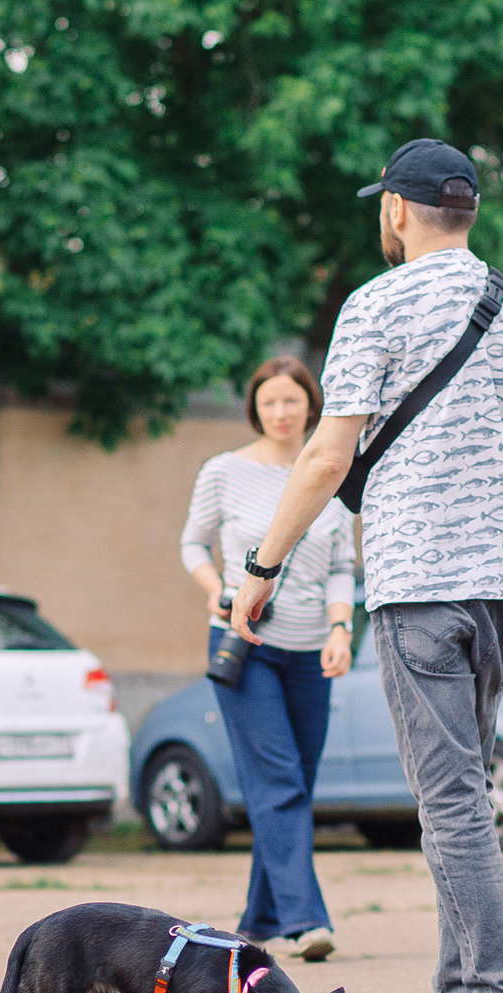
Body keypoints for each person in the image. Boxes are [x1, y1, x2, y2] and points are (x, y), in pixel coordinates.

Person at [230, 139, 503, 993]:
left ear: (395, 209)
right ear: (466, 213)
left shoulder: (376, 304)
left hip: (420, 588)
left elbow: (326, 454)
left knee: (450, 804)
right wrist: (491, 498)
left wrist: (263, 569)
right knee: (457, 797)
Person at [181, 357, 356, 962]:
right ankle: (307, 921)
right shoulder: (224, 472)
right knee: (279, 781)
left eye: (292, 401)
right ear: (254, 407)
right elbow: (190, 542)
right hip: (245, 646)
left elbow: (340, 566)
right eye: (269, 402)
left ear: (312, 405)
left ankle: (256, 921)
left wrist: (341, 628)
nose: (281, 413)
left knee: (292, 786)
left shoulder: (332, 472)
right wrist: (213, 586)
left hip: (312, 650)